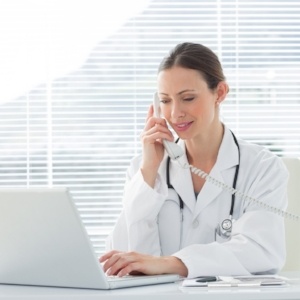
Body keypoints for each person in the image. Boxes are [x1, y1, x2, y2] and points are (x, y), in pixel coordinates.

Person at [99, 42, 288, 278]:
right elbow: (123, 260)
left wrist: (172, 263)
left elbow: (262, 251)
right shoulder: (145, 167)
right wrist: (148, 172)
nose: (175, 113)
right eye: (166, 101)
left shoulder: (262, 167)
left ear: (219, 93)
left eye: (187, 98)